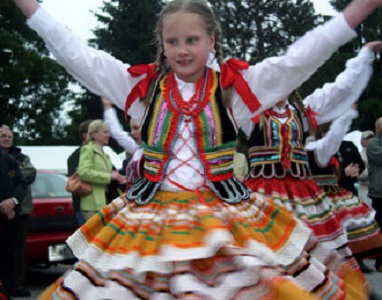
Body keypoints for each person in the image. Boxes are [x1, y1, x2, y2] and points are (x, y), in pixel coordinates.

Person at [12, 0, 382, 298]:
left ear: (212, 41)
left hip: (222, 215)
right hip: (150, 217)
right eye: (172, 42)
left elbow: (297, 61)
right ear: (162, 45)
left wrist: (355, 14)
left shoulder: (235, 89)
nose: (182, 50)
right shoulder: (143, 90)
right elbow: (78, 55)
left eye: (192, 40)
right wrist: (31, 8)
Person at [243, 41, 382, 266]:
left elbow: (339, 88)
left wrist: (364, 55)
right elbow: (219, 88)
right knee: (265, 256)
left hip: (303, 196)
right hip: (263, 194)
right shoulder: (250, 113)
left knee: (309, 256)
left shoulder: (303, 110)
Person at [305, 107, 382, 273]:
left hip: (343, 191)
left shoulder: (346, 146)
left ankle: (355, 260)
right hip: (322, 193)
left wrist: (354, 170)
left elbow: (359, 163)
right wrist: (343, 172)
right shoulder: (312, 147)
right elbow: (314, 169)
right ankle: (324, 262)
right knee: (324, 228)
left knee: (348, 228)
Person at [0, 125, 36, 297]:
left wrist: (12, 202)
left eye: (9, 136)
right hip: (6, 211)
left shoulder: (16, 159)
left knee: (13, 251)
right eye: (3, 136)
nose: (7, 139)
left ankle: (13, 285)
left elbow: (24, 179)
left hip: (15, 212)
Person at [78, 119, 126, 221]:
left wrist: (118, 177)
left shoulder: (106, 155)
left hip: (104, 202)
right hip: (92, 205)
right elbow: (83, 172)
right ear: (94, 134)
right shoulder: (87, 150)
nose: (108, 135)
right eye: (105, 132)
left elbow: (106, 175)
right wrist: (109, 176)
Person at [0, 143, 26, 300]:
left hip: (10, 217)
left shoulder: (9, 160)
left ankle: (8, 290)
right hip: (5, 212)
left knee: (9, 255)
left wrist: (13, 201)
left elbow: (21, 182)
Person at [102, 98, 143, 189]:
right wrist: (108, 107)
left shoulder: (159, 148)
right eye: (131, 129)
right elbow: (117, 133)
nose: (132, 133)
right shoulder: (137, 147)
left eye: (136, 128)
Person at [67, 120, 92, 226]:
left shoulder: (101, 154)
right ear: (84, 135)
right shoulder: (76, 156)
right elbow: (77, 183)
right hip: (86, 207)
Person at [367, 117, 382, 273]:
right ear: (378, 128)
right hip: (379, 192)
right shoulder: (373, 144)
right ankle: (379, 261)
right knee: (380, 228)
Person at [358, 130, 374, 207]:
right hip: (365, 189)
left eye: (372, 138)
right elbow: (360, 175)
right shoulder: (360, 156)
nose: (370, 141)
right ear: (362, 142)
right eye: (367, 139)